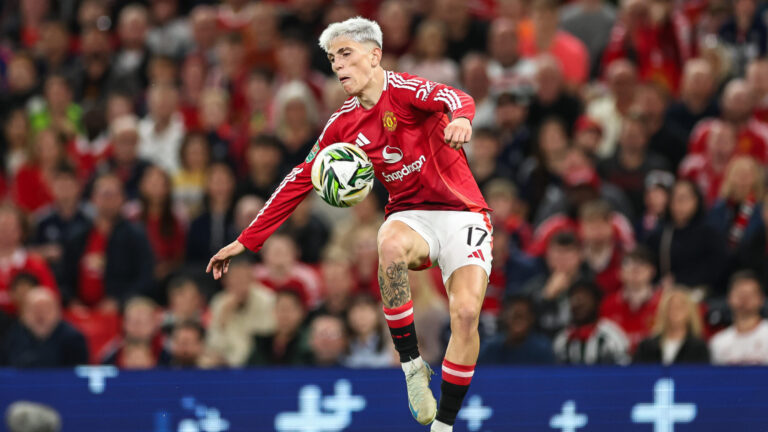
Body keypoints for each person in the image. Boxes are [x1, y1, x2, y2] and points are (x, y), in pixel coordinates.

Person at [207, 17, 491, 430]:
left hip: (462, 211)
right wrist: (246, 241)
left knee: (465, 314)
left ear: (374, 55)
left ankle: (444, 424)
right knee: (388, 243)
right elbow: (299, 177)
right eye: (331, 58)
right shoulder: (341, 123)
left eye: (346, 54)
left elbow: (455, 97)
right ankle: (412, 367)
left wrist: (462, 118)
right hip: (410, 215)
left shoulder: (407, 90)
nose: (338, 66)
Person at [206, 257, 276, 367]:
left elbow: (266, 336)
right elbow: (212, 343)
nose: (240, 283)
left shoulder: (266, 299)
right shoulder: (219, 302)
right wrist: (223, 318)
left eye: (244, 278)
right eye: (235, 279)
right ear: (226, 281)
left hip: (257, 362)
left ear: (252, 279)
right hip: (225, 364)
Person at [1, 288, 89, 367]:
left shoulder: (73, 338)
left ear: (57, 311)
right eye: (35, 309)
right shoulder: (13, 336)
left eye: (45, 309)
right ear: (24, 313)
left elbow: (78, 373)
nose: (40, 315)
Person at [553, 280, 630, 365]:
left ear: (597, 302)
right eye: (574, 298)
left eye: (585, 298)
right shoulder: (562, 340)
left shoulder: (612, 337)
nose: (579, 304)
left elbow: (624, 372)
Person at [600, 247, 662, 351]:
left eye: (642, 264)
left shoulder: (663, 303)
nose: (635, 269)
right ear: (619, 272)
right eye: (629, 264)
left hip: (652, 363)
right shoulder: (607, 304)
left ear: (652, 271)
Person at [634, 288, 709, 365]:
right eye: (670, 307)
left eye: (680, 307)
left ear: (690, 312)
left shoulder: (699, 348)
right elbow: (636, 374)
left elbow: (702, 375)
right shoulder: (646, 347)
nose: (675, 312)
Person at [710, 271, 768, 365]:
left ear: (761, 299)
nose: (744, 299)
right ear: (729, 298)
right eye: (740, 294)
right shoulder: (718, 342)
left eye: (750, 294)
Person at [479, 295, 554, 364]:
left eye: (523, 317)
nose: (518, 322)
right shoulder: (491, 349)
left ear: (532, 318)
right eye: (515, 316)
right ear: (504, 316)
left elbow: (551, 375)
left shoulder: (542, 349)